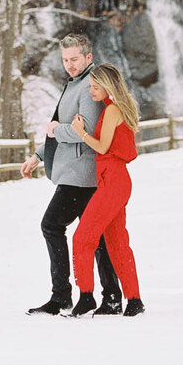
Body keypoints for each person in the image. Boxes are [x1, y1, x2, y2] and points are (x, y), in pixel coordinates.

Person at [20, 33, 123, 316]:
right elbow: (66, 126)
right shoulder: (75, 83)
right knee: (97, 237)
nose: (70, 64)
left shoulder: (90, 85)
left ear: (88, 57)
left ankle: (63, 296)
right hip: (75, 172)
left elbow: (85, 129)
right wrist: (38, 155)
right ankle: (110, 297)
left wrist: (54, 130)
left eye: (75, 59)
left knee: (52, 226)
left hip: (81, 174)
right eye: (66, 60)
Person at [68, 63, 146, 318]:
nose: (91, 90)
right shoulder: (115, 107)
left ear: (108, 87)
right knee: (116, 243)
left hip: (113, 179)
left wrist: (81, 133)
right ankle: (134, 300)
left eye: (95, 86)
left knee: (82, 238)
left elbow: (102, 147)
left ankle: (86, 296)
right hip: (114, 179)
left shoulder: (112, 110)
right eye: (90, 86)